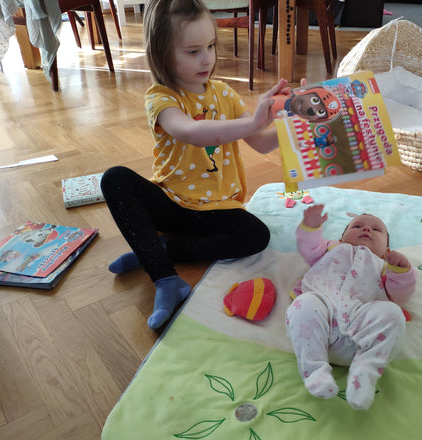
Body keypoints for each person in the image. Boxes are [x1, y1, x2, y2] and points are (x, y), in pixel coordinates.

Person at [101, 0, 294, 330]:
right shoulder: (161, 97)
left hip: (216, 207)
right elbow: (192, 132)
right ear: (162, 53)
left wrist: (293, 123)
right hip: (171, 204)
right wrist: (253, 123)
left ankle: (161, 249)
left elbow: (261, 142)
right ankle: (165, 277)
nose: (207, 58)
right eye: (192, 51)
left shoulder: (224, 93)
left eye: (209, 46)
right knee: (114, 179)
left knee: (256, 236)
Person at [286, 204, 417, 410]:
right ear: (341, 237)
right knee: (304, 304)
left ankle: (365, 371)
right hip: (319, 326)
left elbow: (400, 295)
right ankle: (315, 372)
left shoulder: (383, 265)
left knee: (393, 314)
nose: (366, 229)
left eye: (376, 229)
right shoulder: (331, 248)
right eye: (357, 226)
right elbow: (308, 246)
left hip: (360, 335)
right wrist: (310, 227)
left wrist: (401, 271)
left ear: (387, 251)